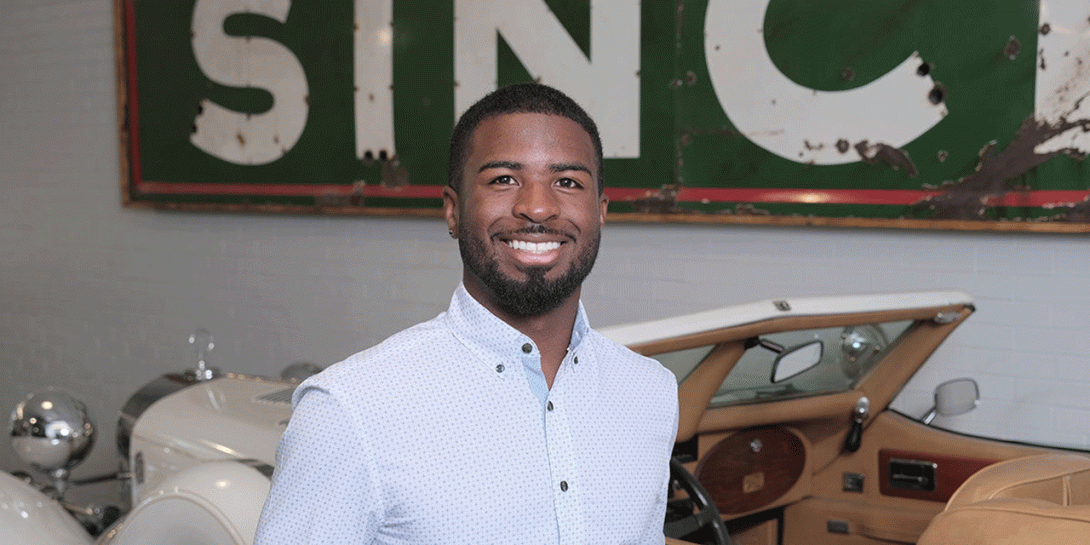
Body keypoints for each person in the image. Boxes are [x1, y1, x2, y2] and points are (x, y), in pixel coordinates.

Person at [254, 82, 679, 544]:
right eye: (503, 179)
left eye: (567, 182)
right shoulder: (349, 413)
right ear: (453, 211)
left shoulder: (650, 394)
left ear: (600, 212)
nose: (537, 206)